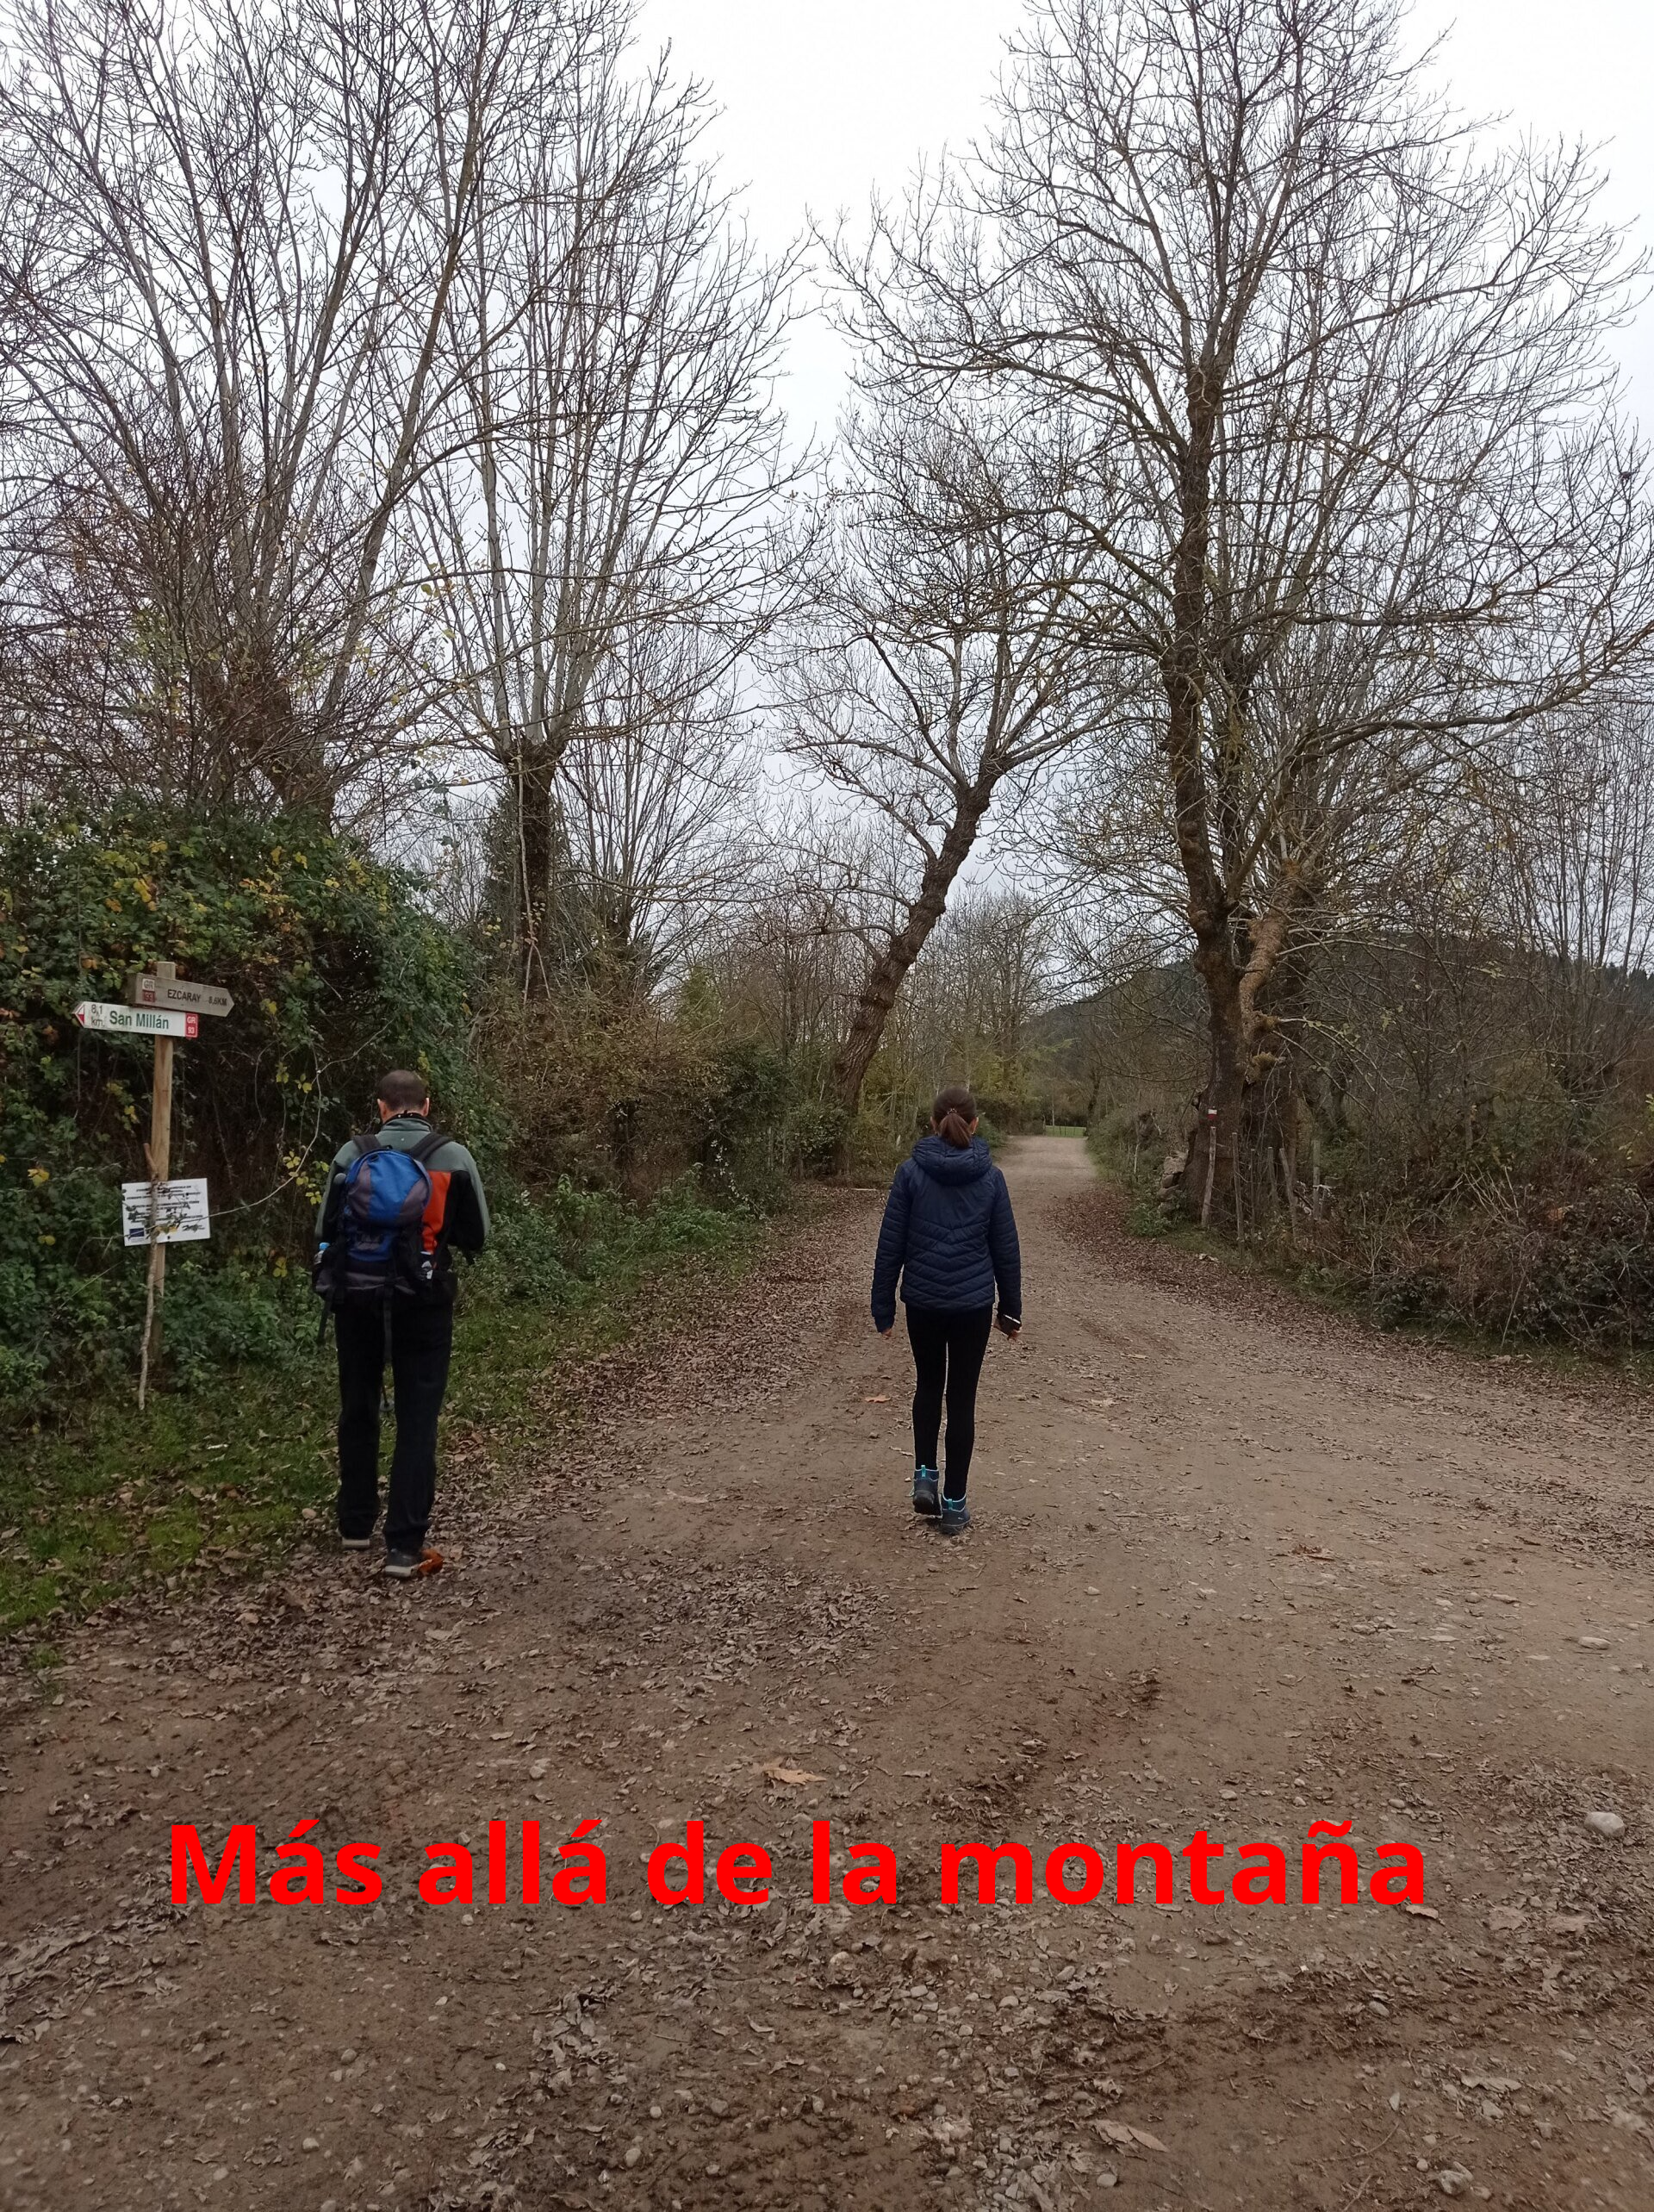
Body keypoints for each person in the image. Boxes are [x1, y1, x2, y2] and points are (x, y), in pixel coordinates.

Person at [314, 1070, 489, 1579]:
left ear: (382, 1106)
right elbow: (478, 1235)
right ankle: (404, 1546)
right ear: (427, 1105)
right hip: (424, 1299)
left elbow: (324, 1227)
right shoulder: (453, 1157)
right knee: (417, 1418)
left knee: (358, 1405)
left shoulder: (352, 1154)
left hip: (357, 1298)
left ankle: (354, 1524)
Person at [870, 1084, 1022, 1535]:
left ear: (933, 1123)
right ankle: (954, 1506)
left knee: (928, 1385)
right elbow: (1006, 1251)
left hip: (924, 1302)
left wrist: (884, 1308)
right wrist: (1010, 1312)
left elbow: (889, 1244)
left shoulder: (910, 1173)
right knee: (962, 1398)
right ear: (975, 1124)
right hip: (973, 1306)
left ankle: (923, 1476)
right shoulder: (991, 1178)